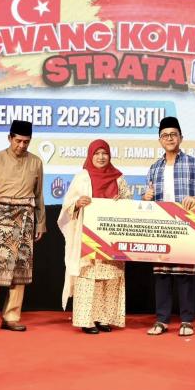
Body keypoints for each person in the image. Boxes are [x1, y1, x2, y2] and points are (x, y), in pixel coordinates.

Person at [0, 120, 46, 335]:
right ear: (9, 138)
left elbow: (39, 195)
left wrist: (40, 223)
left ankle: (11, 317)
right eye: (18, 141)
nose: (22, 145)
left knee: (19, 270)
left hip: (25, 218)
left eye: (26, 142)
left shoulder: (36, 162)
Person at [143, 117, 195, 336]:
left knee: (185, 274)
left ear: (181, 138)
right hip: (161, 225)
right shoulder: (154, 168)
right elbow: (148, 197)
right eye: (165, 135)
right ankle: (162, 320)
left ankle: (186, 321)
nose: (169, 138)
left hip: (185, 225)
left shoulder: (194, 163)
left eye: (173, 134)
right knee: (161, 274)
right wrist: (145, 197)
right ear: (159, 140)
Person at [58, 139, 130, 334]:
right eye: (97, 153)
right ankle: (86, 320)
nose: (101, 157)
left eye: (104, 153)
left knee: (110, 277)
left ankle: (104, 318)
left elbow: (129, 205)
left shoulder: (119, 178)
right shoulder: (82, 177)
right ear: (90, 155)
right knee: (88, 277)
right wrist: (77, 203)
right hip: (87, 238)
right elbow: (67, 204)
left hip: (111, 238)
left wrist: (122, 201)